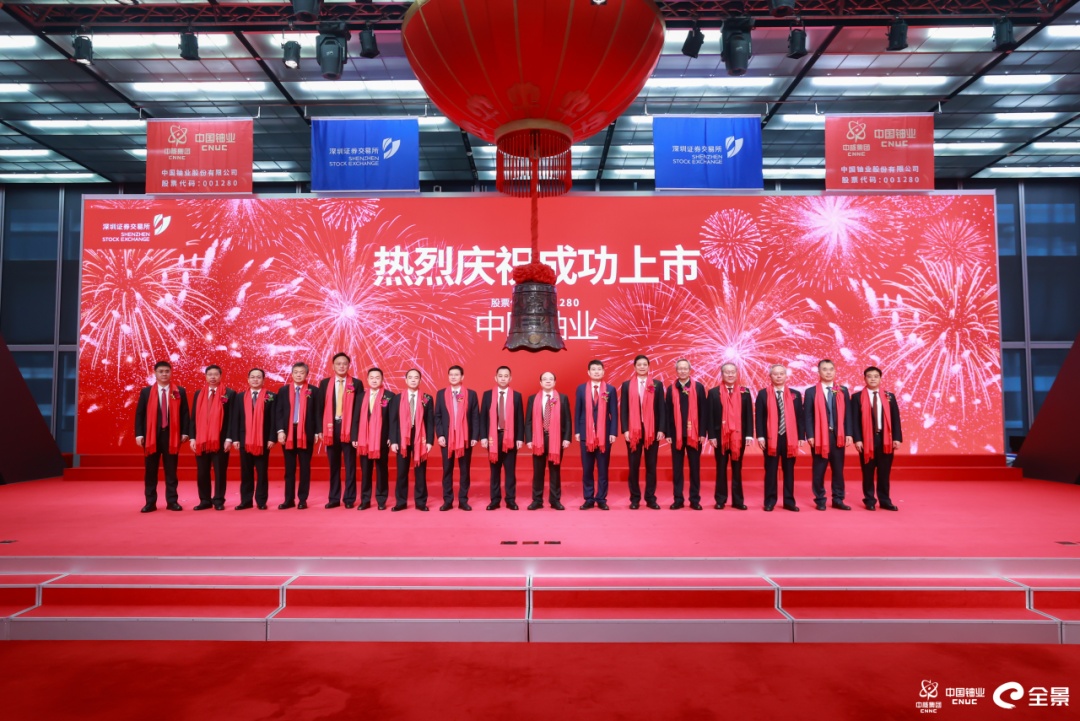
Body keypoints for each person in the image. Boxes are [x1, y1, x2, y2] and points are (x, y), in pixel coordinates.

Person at [134, 360, 190, 512]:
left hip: (171, 437)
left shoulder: (179, 391)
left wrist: (185, 432)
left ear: (171, 373)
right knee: (150, 471)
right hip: (151, 437)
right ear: (155, 373)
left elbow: (185, 413)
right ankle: (150, 502)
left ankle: (172, 501)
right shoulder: (146, 392)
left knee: (171, 471)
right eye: (161, 371)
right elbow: (140, 414)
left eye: (167, 371)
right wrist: (139, 434)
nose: (164, 374)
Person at [804, 359, 854, 511]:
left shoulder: (843, 390)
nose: (828, 372)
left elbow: (848, 414)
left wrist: (849, 433)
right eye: (824, 369)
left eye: (831, 369)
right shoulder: (811, 392)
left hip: (838, 436)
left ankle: (838, 499)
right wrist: (810, 435)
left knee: (838, 470)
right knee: (819, 470)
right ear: (819, 372)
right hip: (819, 437)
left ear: (835, 371)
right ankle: (820, 499)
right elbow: (808, 416)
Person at [851, 366, 903, 511]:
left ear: (880, 378)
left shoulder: (889, 396)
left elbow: (895, 419)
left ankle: (885, 500)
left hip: (885, 440)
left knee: (884, 472)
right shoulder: (857, 397)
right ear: (865, 378)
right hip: (866, 440)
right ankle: (869, 500)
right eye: (869, 376)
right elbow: (854, 420)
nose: (873, 379)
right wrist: (857, 439)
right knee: (867, 472)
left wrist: (897, 438)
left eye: (876, 376)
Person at [756, 364, 805, 512]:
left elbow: (800, 417)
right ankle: (770, 501)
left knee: (789, 470)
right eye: (775, 374)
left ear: (786, 376)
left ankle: (789, 502)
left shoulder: (795, 394)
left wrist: (801, 436)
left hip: (790, 438)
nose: (778, 376)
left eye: (781, 374)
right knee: (771, 470)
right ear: (770, 376)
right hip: (771, 438)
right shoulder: (763, 394)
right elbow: (759, 417)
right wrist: (761, 437)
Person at [620, 354, 667, 510]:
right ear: (634, 367)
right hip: (633, 431)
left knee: (651, 466)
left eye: (644, 364)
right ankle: (635, 499)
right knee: (633, 466)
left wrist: (661, 429)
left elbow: (661, 408)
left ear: (648, 367)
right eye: (639, 364)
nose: (642, 367)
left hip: (652, 430)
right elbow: (624, 409)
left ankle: (650, 498)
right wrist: (625, 429)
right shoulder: (627, 385)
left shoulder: (657, 384)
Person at [316, 352, 361, 509]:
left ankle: (349, 498)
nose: (342, 366)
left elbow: (358, 411)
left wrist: (356, 432)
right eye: (338, 363)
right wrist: (319, 430)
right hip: (331, 428)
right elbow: (319, 408)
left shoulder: (356, 383)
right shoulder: (324, 384)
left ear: (349, 366)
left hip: (348, 428)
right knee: (333, 466)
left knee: (350, 466)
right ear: (333, 366)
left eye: (344, 363)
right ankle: (334, 498)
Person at [226, 368, 276, 510]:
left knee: (262, 472)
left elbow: (274, 419)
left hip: (263, 441)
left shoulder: (271, 396)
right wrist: (235, 438)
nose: (255, 379)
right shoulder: (240, 397)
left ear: (263, 380)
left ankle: (261, 501)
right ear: (248, 380)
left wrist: (272, 438)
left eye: (258, 377)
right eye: (252, 377)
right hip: (244, 440)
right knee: (246, 472)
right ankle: (246, 501)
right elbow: (235, 418)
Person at [707, 362, 753, 511]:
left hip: (738, 437)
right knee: (721, 469)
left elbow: (748, 415)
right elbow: (710, 416)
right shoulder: (714, 392)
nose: (730, 374)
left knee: (737, 469)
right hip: (720, 437)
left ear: (737, 373)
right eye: (727, 372)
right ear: (722, 374)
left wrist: (749, 435)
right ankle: (720, 500)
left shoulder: (745, 391)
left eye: (733, 372)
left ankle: (738, 501)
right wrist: (711, 436)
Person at [434, 365, 480, 511]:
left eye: (456, 374)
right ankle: (447, 501)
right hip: (447, 438)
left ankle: (463, 500)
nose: (453, 377)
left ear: (462, 377)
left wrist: (475, 436)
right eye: (451, 375)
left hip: (465, 437)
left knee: (464, 470)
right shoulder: (441, 394)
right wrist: (440, 435)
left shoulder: (471, 394)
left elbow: (475, 416)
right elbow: (437, 416)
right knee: (447, 470)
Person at [188, 364, 234, 511]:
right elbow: (193, 418)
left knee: (220, 472)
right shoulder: (199, 394)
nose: (213, 377)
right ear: (206, 377)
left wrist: (229, 439)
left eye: (216, 374)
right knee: (202, 472)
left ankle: (218, 500)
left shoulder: (229, 393)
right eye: (210, 374)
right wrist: (192, 438)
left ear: (220, 376)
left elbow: (232, 419)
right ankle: (205, 500)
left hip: (220, 440)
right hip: (201, 440)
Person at [479, 366, 525, 510]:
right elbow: (483, 417)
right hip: (493, 438)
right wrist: (483, 437)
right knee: (495, 471)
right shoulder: (487, 395)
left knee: (510, 471)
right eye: (500, 376)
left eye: (506, 376)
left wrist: (520, 438)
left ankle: (510, 500)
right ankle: (495, 500)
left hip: (510, 438)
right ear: (496, 378)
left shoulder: (516, 396)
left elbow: (520, 418)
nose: (503, 378)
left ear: (510, 378)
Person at [388, 369, 434, 512]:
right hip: (402, 437)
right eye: (410, 377)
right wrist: (393, 441)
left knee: (420, 471)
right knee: (402, 472)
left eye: (416, 378)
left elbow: (430, 421)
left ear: (420, 380)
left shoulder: (427, 398)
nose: (413, 380)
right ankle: (401, 502)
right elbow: (393, 421)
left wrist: (429, 441)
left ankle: (420, 502)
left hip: (420, 436)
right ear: (406, 380)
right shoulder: (397, 398)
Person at [574, 360, 618, 511]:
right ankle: (588, 499)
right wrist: (577, 431)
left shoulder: (610, 389)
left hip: (604, 434)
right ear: (588, 372)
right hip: (585, 434)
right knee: (587, 469)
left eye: (599, 369)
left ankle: (601, 499)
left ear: (603, 372)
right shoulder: (581, 389)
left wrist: (613, 432)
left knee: (603, 469)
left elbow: (614, 413)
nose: (596, 372)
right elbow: (578, 411)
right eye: (593, 369)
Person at [525, 372, 572, 510]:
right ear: (540, 382)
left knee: (555, 471)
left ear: (555, 382)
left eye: (551, 379)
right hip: (538, 439)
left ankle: (555, 500)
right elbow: (528, 421)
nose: (548, 381)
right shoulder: (532, 399)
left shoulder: (562, 398)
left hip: (556, 439)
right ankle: (537, 500)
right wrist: (529, 439)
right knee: (538, 471)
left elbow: (568, 420)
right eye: (545, 379)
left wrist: (567, 438)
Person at [274, 362, 318, 510]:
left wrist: (317, 431)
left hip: (306, 433)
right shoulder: (283, 390)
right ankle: (289, 499)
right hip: (288, 433)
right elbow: (279, 412)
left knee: (305, 468)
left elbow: (317, 413)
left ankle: (302, 499)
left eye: (302, 372)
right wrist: (280, 431)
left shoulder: (313, 391)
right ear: (292, 374)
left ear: (307, 374)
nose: (299, 375)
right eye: (296, 372)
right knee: (289, 469)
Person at [665, 359, 708, 510]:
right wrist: (668, 433)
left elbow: (704, 412)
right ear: (676, 371)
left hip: (694, 435)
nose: (682, 371)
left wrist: (702, 432)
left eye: (685, 369)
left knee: (694, 468)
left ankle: (695, 499)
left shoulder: (699, 387)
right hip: (676, 435)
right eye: (680, 369)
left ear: (690, 370)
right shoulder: (671, 389)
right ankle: (678, 499)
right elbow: (667, 413)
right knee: (677, 469)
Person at [354, 367, 395, 511]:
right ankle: (365, 500)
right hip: (364, 440)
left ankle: (381, 500)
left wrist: (391, 437)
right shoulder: (360, 396)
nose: (374, 380)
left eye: (377, 377)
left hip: (381, 440)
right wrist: (354, 436)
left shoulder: (389, 396)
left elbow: (393, 419)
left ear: (382, 379)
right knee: (366, 471)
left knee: (382, 470)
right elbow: (356, 418)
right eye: (371, 377)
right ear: (367, 379)